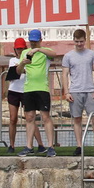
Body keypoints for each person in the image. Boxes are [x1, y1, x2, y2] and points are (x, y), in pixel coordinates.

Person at [60, 29, 94, 155]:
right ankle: (79, 146)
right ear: (73, 40)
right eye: (77, 41)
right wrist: (67, 91)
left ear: (85, 40)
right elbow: (64, 74)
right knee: (77, 119)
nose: (79, 44)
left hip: (90, 90)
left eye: (81, 41)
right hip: (75, 90)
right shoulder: (68, 56)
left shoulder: (91, 54)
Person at [16, 29, 58, 157]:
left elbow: (54, 54)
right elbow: (18, 72)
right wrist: (23, 62)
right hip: (29, 89)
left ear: (40, 40)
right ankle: (29, 146)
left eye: (35, 41)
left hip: (42, 88)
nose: (33, 44)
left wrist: (38, 50)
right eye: (31, 41)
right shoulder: (24, 52)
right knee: (29, 118)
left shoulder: (45, 52)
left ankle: (50, 146)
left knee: (45, 117)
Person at [4, 37, 39, 154]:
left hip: (26, 90)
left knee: (30, 118)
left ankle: (39, 144)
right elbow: (15, 73)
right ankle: (12, 145)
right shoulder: (12, 60)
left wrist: (21, 68)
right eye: (18, 49)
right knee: (13, 119)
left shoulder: (30, 59)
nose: (19, 51)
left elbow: (21, 71)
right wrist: (21, 68)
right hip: (14, 90)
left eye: (21, 48)